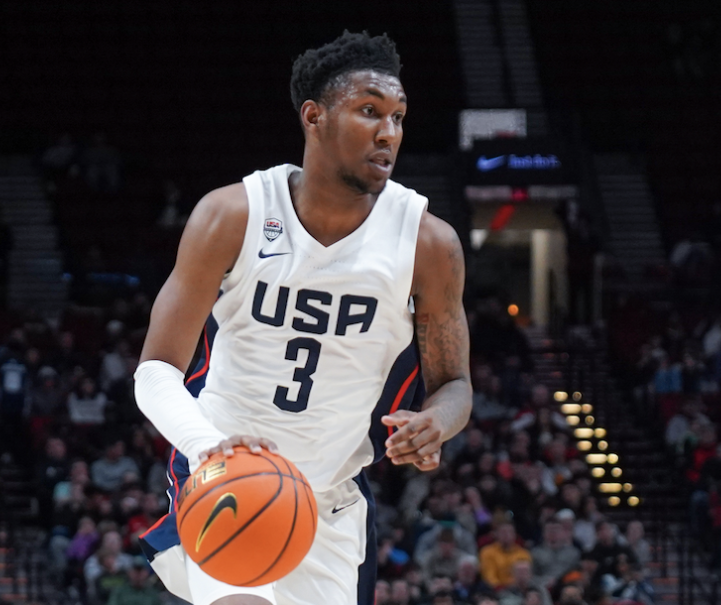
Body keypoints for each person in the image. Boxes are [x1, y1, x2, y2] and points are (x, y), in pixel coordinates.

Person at [133, 31, 472, 605]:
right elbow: (154, 371)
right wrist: (207, 447)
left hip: (329, 500)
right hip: (227, 480)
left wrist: (436, 423)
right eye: (369, 111)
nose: (388, 131)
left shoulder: (428, 244)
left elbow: (456, 386)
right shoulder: (232, 215)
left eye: (398, 116)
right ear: (314, 116)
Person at [479, 523, 532, 589]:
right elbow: (489, 576)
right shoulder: (487, 552)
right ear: (497, 534)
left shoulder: (523, 553)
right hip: (496, 590)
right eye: (503, 532)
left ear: (514, 535)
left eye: (509, 532)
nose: (506, 535)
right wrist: (501, 588)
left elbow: (527, 576)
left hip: (519, 589)